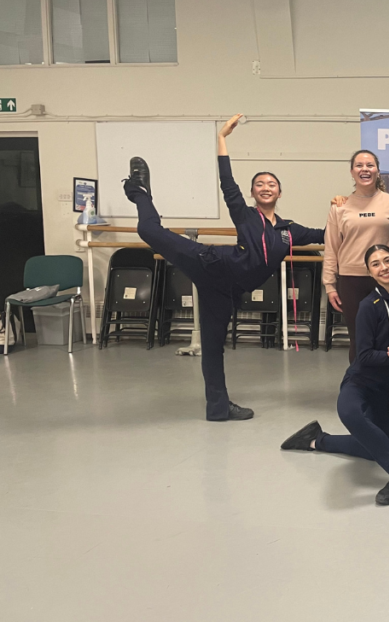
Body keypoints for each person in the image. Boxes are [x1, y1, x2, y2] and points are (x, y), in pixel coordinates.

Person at [122, 114, 324, 422]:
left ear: (279, 193)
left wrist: (342, 209)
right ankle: (139, 192)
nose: (265, 187)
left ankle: (218, 408)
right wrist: (222, 138)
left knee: (213, 347)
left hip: (227, 291)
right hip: (211, 263)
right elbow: (227, 181)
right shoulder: (244, 214)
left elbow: (329, 235)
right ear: (254, 193)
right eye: (259, 184)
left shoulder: (290, 230)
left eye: (271, 184)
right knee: (149, 231)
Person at [280, 245, 389, 505]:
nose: (383, 267)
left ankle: (315, 439)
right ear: (370, 272)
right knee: (349, 413)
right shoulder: (368, 306)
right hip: (360, 380)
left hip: (388, 388)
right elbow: (364, 355)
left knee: (373, 447)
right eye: (375, 264)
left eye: (387, 260)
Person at [324, 150, 389, 364]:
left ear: (377, 170)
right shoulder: (340, 207)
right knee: (359, 339)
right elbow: (331, 249)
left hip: (386, 280)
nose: (364, 169)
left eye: (369, 165)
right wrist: (330, 285)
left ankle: (387, 389)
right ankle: (359, 387)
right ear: (352, 171)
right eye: (359, 165)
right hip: (351, 281)